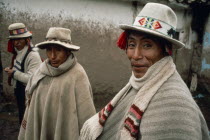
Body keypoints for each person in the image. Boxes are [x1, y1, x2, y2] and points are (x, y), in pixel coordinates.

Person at [79, 3, 210, 140]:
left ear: (165, 50)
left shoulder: (175, 105)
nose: (135, 55)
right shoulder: (138, 84)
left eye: (147, 45)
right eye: (131, 44)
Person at [18, 27, 96, 140]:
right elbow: (31, 104)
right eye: (49, 50)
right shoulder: (40, 72)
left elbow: (86, 116)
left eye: (58, 50)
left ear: (68, 51)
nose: (52, 56)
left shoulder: (78, 76)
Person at [4, 23, 42, 124]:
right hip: (21, 93)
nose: (17, 42)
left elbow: (33, 78)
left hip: (30, 96)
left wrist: (14, 73)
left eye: (20, 39)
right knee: (22, 119)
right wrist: (11, 71)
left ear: (27, 39)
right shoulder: (19, 52)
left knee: (29, 121)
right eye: (14, 40)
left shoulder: (32, 55)